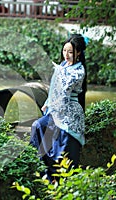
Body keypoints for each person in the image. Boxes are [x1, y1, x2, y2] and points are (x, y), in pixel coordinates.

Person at [30, 34, 87, 182]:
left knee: (62, 139)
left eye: (70, 52)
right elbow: (54, 87)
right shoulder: (62, 66)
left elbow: (65, 92)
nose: (66, 55)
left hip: (69, 111)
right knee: (37, 126)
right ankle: (41, 171)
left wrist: (53, 104)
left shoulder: (79, 71)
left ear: (78, 53)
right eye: (64, 51)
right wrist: (47, 102)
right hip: (55, 108)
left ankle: (58, 178)